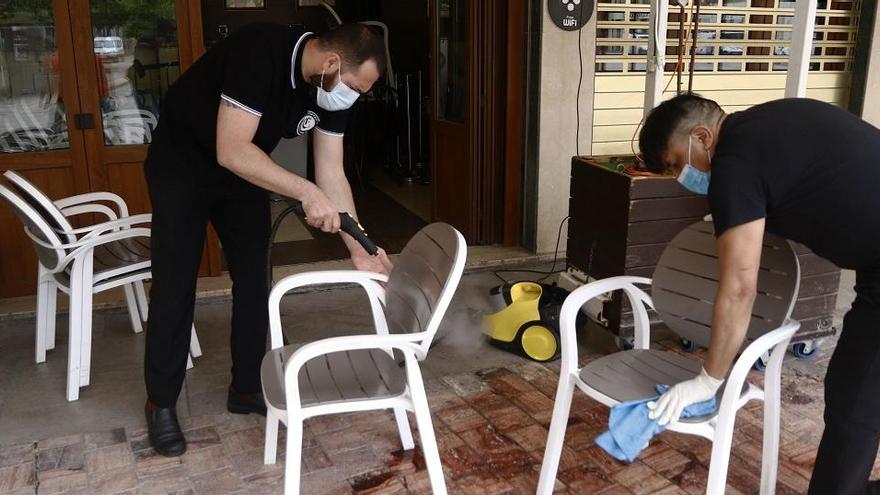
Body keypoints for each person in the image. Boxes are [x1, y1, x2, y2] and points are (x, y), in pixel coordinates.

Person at [143, 22, 393, 457]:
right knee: (176, 281)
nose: (354, 98)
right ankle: (160, 401)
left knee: (256, 278)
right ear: (332, 63)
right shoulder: (259, 49)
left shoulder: (334, 90)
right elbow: (230, 148)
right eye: (355, 88)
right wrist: (305, 191)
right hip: (183, 164)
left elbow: (331, 171)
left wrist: (361, 247)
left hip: (243, 169)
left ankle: (244, 390)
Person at [638, 94, 880, 494]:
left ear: (702, 136)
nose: (683, 176)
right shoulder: (769, 119)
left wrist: (708, 379)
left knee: (855, 400)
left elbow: (738, 289)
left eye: (678, 163)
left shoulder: (734, 165)